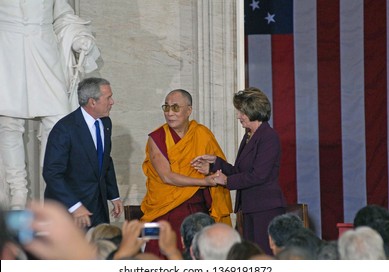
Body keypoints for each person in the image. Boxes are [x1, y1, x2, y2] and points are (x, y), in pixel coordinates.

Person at [0, 0, 101, 210]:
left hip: (43, 49)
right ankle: (18, 191)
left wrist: (79, 38)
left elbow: (62, 16)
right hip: (6, 50)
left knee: (59, 121)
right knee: (9, 123)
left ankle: (55, 187)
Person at [191, 87, 287, 255]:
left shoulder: (269, 137)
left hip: (265, 208)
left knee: (262, 256)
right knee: (250, 256)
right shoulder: (249, 135)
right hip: (250, 208)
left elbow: (258, 175)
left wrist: (227, 182)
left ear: (254, 109)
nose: (238, 116)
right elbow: (239, 170)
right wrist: (214, 163)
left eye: (242, 112)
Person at [140, 89, 233, 257]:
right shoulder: (156, 137)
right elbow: (166, 176)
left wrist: (210, 169)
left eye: (175, 107)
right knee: (156, 255)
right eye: (166, 107)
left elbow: (220, 168)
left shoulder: (202, 134)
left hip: (196, 208)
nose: (169, 113)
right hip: (161, 209)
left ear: (188, 110)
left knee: (200, 254)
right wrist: (205, 182)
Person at [43, 77, 123, 229]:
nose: (112, 102)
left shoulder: (105, 123)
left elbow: (106, 159)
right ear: (92, 102)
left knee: (101, 250)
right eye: (108, 98)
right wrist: (74, 206)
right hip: (69, 212)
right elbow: (51, 173)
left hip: (98, 207)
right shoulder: (65, 129)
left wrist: (114, 195)